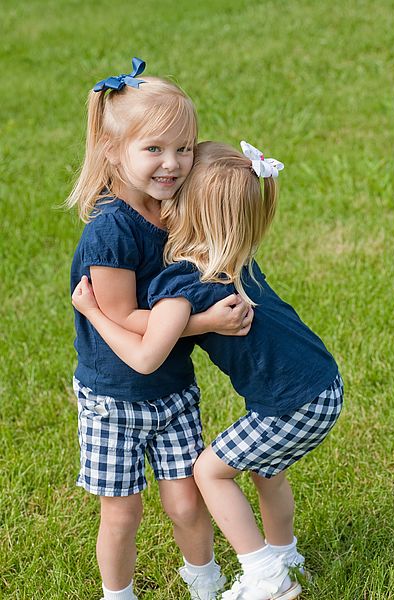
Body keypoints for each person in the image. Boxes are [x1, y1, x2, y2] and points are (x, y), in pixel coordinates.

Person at [72, 140, 344, 600]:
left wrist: (93, 311)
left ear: (187, 208)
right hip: (324, 385)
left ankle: (264, 576)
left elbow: (145, 357)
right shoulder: (233, 258)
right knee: (266, 469)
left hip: (287, 406)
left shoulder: (183, 280)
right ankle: (286, 555)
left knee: (210, 472)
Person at [67, 59, 255, 600]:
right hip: (114, 396)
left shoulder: (173, 210)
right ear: (111, 148)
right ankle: (117, 595)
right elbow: (124, 317)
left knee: (187, 500)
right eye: (154, 149)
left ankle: (206, 584)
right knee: (122, 510)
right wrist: (206, 321)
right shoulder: (110, 232)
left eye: (184, 148)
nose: (172, 164)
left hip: (172, 391)